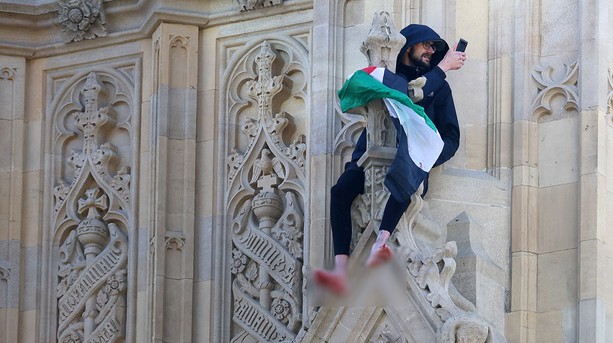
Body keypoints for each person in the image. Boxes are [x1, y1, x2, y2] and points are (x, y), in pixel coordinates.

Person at [314, 24, 466, 295]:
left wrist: (428, 154)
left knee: (406, 176)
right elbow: (406, 93)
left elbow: (452, 137)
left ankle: (380, 244)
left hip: (411, 161)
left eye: (435, 47)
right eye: (427, 45)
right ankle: (340, 270)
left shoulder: (439, 89)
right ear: (409, 46)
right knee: (340, 192)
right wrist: (442, 69)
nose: (432, 50)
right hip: (368, 156)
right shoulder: (389, 77)